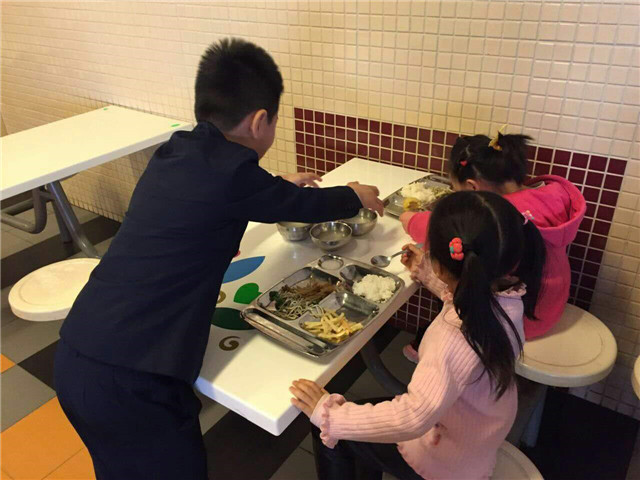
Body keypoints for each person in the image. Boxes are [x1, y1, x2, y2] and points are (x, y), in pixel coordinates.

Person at [54, 38, 383, 480]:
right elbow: (300, 204)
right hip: (134, 380)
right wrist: (354, 195)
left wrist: (275, 183)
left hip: (79, 352)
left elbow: (238, 191)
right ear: (260, 121)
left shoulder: (177, 151)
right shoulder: (232, 176)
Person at [290, 191, 546, 480]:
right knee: (356, 430)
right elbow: (469, 296)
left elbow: (413, 417)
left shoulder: (453, 337)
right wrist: (430, 274)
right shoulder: (508, 297)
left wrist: (330, 416)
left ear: (442, 263)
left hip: (446, 456)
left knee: (328, 430)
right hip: (479, 431)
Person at [401, 131, 585, 362]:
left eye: (456, 191)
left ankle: (440, 347)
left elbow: (446, 230)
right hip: (550, 305)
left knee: (457, 269)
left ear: (473, 188)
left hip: (518, 319)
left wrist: (410, 220)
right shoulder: (548, 195)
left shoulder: (503, 218)